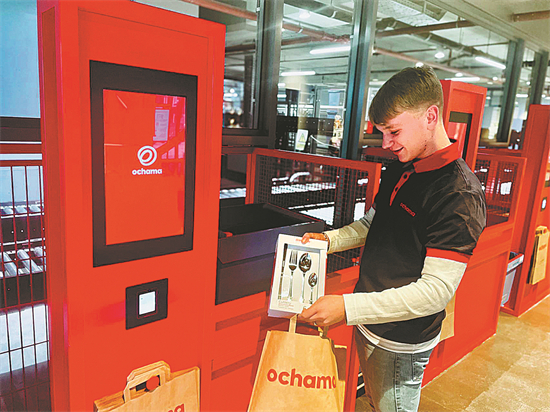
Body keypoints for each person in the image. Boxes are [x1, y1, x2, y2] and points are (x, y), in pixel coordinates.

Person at [298, 66, 486, 412]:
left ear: (431, 116)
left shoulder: (458, 195)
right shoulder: (403, 164)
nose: (386, 144)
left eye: (394, 131)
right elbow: (375, 222)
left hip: (401, 342)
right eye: (382, 132)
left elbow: (435, 293)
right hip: (368, 325)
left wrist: (346, 307)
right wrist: (330, 240)